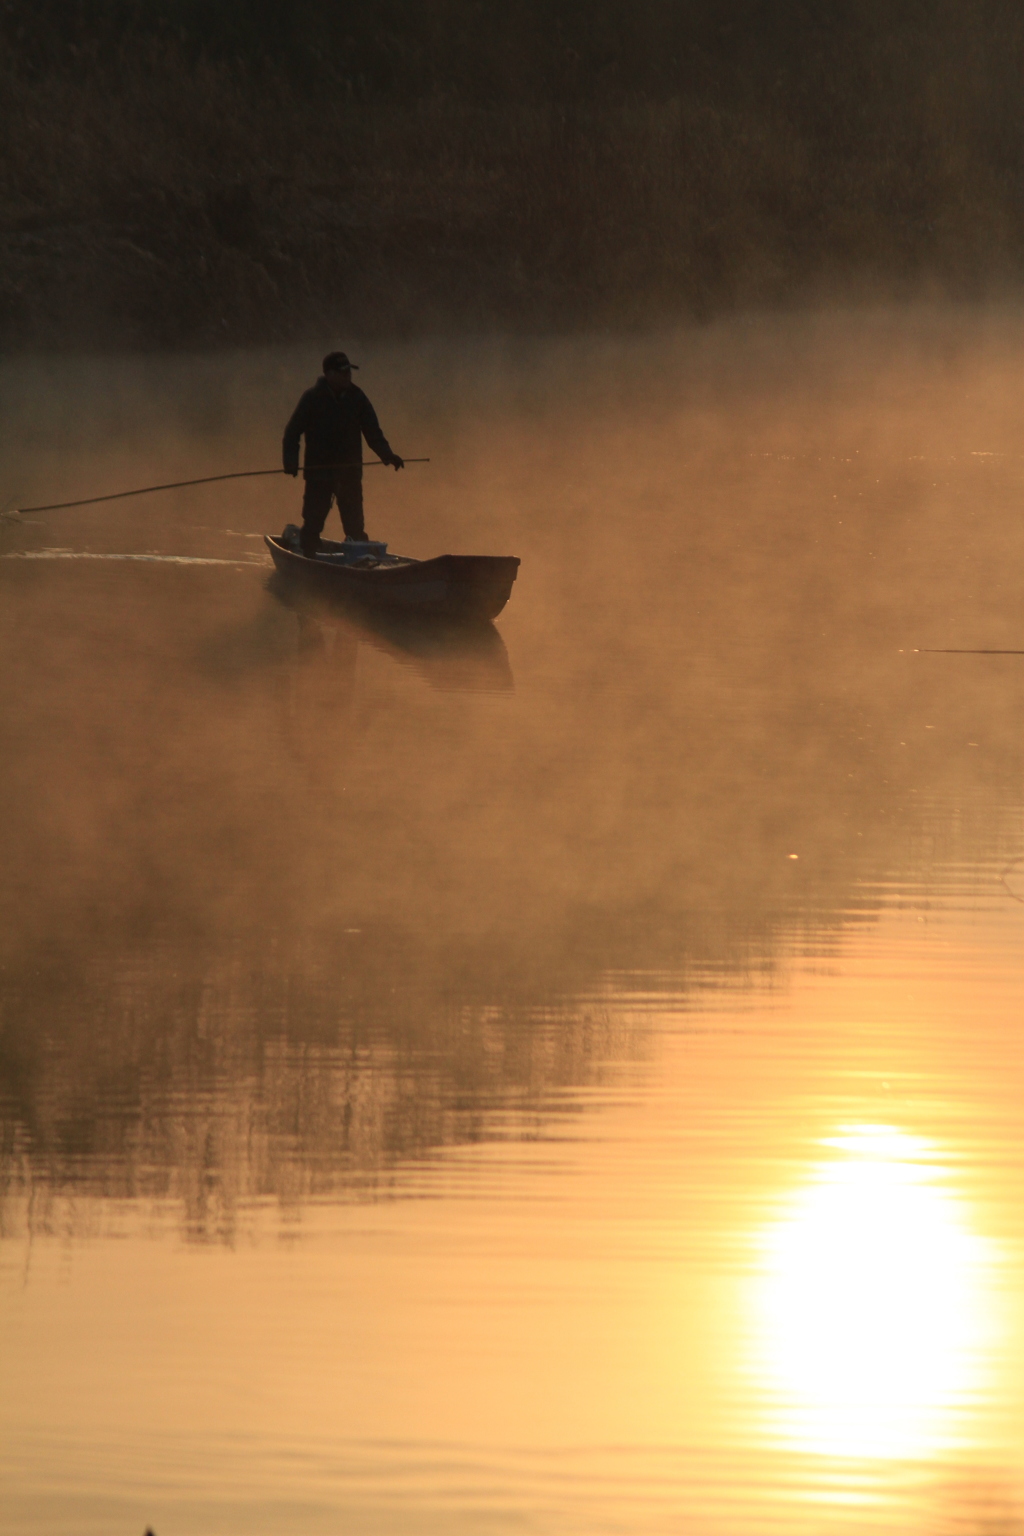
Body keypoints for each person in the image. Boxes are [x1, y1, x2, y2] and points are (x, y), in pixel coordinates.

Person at [282, 350, 404, 558]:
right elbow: (292, 433)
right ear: (329, 374)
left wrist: (388, 455)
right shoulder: (312, 398)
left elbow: (373, 432)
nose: (348, 376)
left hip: (349, 474)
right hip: (319, 475)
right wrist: (290, 463)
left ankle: (362, 561)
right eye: (342, 372)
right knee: (313, 522)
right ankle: (308, 559)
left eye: (349, 372)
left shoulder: (357, 398)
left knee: (355, 526)